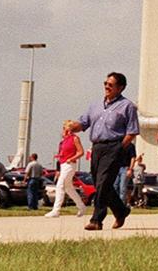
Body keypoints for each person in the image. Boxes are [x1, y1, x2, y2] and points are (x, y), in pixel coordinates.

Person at [77, 71, 140, 231]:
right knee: (100, 184)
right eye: (105, 84)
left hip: (114, 146)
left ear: (121, 88)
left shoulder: (127, 106)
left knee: (104, 181)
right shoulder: (95, 105)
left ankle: (96, 220)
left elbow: (132, 131)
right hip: (97, 147)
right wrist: (73, 126)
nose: (107, 87)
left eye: (110, 85)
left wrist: (120, 148)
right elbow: (83, 123)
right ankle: (121, 210)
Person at [46, 120, 87, 217]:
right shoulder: (63, 141)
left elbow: (81, 152)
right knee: (68, 188)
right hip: (63, 164)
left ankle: (56, 210)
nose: (63, 130)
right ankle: (81, 206)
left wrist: (72, 158)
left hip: (70, 165)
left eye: (64, 128)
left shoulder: (75, 138)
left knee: (60, 185)